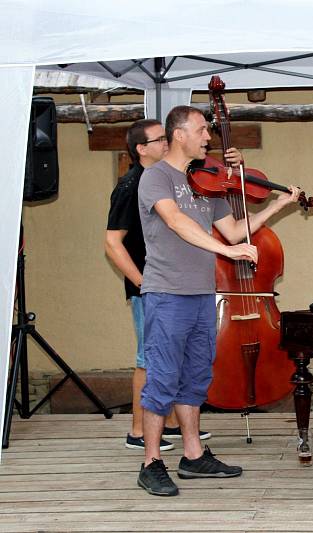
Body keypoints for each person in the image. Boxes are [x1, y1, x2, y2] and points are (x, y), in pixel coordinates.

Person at [136, 105, 299, 496]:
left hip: (203, 296)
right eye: (201, 130)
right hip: (167, 293)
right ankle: (151, 462)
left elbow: (236, 230)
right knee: (162, 378)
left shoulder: (206, 180)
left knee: (196, 377)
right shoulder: (155, 177)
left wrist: (279, 204)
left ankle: (193, 455)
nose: (208, 137)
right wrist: (228, 252)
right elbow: (177, 222)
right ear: (179, 135)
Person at [105, 119, 217, 452]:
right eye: (159, 140)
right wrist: (143, 283)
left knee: (181, 366)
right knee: (151, 361)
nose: (166, 143)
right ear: (141, 149)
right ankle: (139, 433)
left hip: (180, 287)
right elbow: (112, 242)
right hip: (155, 286)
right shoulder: (133, 184)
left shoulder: (185, 178)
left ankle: (176, 431)